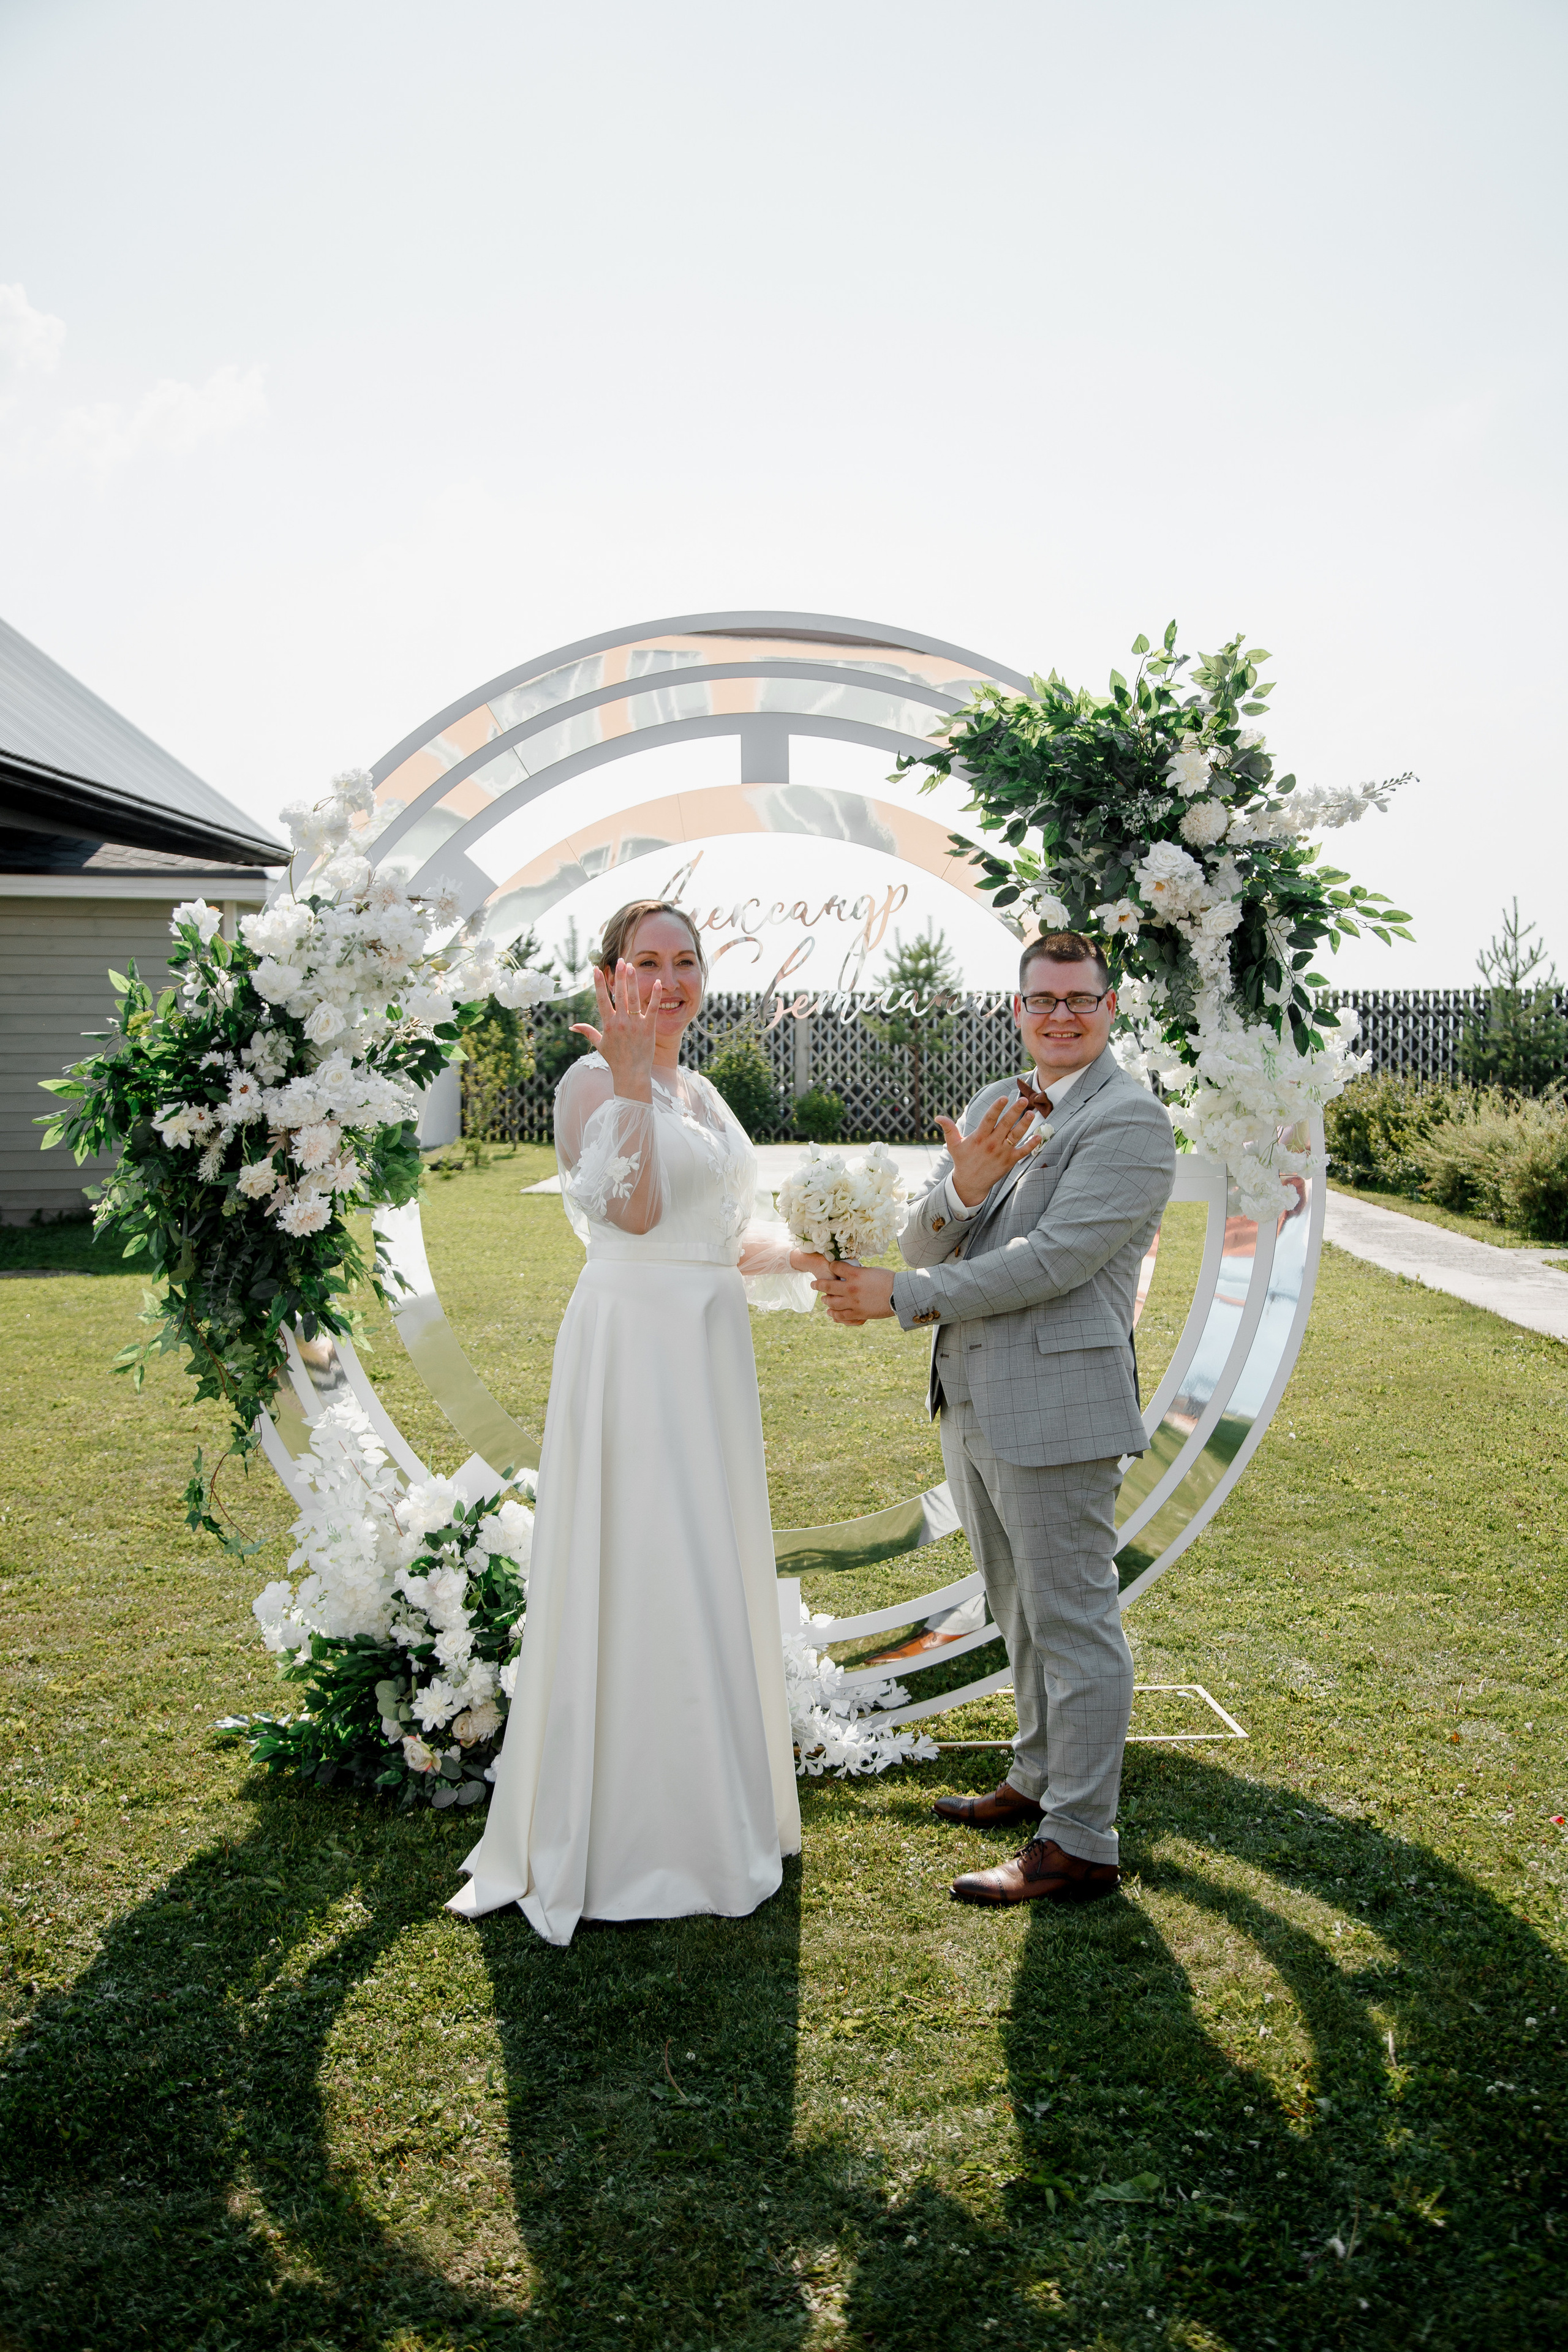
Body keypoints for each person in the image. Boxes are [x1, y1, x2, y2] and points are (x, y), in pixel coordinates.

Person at [448, 900, 816, 1945]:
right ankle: (632, 1837)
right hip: (631, 1350)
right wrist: (626, 1076)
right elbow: (641, 1213)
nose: (669, 980)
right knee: (640, 1558)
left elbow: (719, 1237)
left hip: (705, 1346)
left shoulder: (702, 1089)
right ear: (609, 979)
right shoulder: (587, 1084)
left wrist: (815, 1255)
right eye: (645, 963)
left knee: (704, 1558)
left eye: (686, 962)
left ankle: (715, 1805)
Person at [810, 931, 1174, 1908]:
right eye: (1043, 998)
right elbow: (930, 1223)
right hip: (970, 1398)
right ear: (1017, 1009)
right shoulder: (994, 1104)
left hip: (1059, 1407)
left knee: (1074, 1621)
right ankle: (1036, 1778)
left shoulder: (1131, 1123)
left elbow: (1051, 1261)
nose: (1061, 1014)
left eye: (1080, 999)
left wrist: (904, 1292)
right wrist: (963, 1185)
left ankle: (1083, 1843)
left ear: (1110, 1009)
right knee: (1015, 1608)